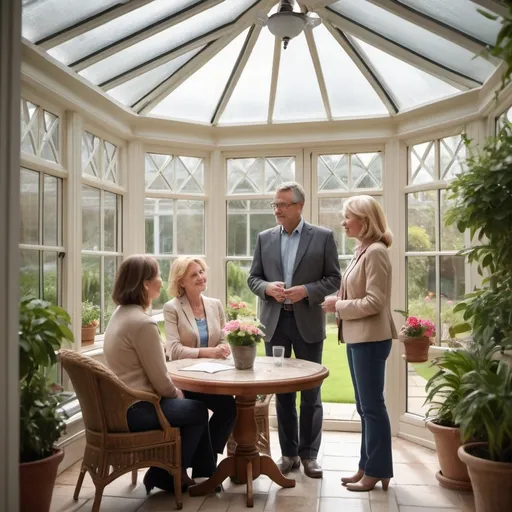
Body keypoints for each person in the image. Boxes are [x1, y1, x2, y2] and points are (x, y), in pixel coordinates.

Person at [248, 181, 341, 479]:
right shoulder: (264, 238)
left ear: (300, 206)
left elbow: (333, 279)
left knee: (311, 393)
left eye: (283, 205)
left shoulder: (323, 237)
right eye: (275, 205)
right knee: (283, 394)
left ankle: (309, 455)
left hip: (308, 324)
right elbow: (254, 279)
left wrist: (307, 291)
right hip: (274, 325)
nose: (277, 210)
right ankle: (288, 455)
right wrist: (267, 288)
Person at [103, 255, 216, 495]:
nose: (161, 281)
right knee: (196, 410)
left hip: (121, 405)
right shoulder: (143, 324)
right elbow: (161, 382)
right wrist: (176, 393)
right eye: (157, 276)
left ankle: (200, 473)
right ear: (145, 284)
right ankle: (165, 474)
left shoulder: (120, 314)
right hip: (138, 408)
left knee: (193, 405)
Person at [321, 195, 397, 492]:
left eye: (348, 216)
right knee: (365, 407)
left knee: (372, 407)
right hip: (357, 338)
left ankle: (377, 470)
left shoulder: (376, 251)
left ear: (364, 220)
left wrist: (338, 306)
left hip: (370, 339)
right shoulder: (362, 250)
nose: (343, 222)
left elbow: (375, 302)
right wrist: (340, 304)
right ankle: (368, 466)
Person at [164, 256, 237, 464]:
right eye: (194, 274)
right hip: (185, 381)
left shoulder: (215, 305)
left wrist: (223, 348)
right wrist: (209, 352)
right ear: (181, 281)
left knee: (230, 409)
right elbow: (174, 350)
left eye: (202, 272)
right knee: (220, 409)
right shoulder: (172, 308)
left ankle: (204, 462)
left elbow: (224, 340)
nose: (201, 277)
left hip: (214, 376)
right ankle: (206, 466)